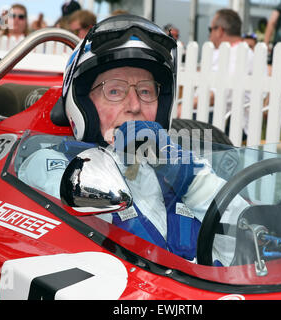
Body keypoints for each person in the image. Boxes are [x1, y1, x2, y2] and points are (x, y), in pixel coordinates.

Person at [18, 14, 248, 265]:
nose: (135, 105)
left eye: (146, 91)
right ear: (82, 105)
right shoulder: (53, 163)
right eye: (114, 91)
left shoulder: (178, 164)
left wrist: (187, 177)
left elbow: (247, 240)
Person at [183, 9, 254, 138]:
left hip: (226, 121)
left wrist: (185, 106)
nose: (209, 34)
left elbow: (219, 93)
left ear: (220, 30)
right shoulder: (227, 51)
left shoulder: (240, 54)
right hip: (211, 114)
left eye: (211, 29)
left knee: (174, 124)